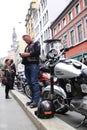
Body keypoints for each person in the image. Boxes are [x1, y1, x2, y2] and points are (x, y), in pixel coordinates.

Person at [20, 35, 40, 108]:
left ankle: (36, 101)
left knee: (34, 82)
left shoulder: (36, 43)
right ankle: (33, 99)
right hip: (27, 65)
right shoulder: (27, 46)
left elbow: (37, 52)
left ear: (29, 37)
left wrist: (27, 54)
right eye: (24, 40)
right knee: (30, 82)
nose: (25, 41)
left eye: (26, 39)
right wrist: (23, 55)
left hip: (33, 64)